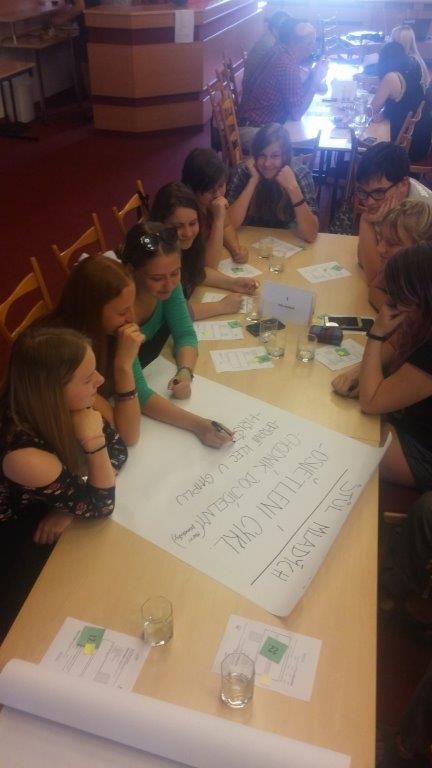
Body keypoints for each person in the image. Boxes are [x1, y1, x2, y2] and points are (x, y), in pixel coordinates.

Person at [0, 327, 127, 640]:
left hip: (48, 499)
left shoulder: (64, 406)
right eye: (88, 378)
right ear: (53, 391)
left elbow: (118, 449)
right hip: (17, 531)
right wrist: (93, 445)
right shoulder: (24, 454)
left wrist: (71, 505)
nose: (100, 381)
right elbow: (101, 506)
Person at [119, 221, 233, 449]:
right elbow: (138, 392)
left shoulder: (169, 286)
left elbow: (185, 334)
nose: (169, 285)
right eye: (156, 278)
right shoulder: (119, 312)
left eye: (175, 273)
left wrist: (185, 372)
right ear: (131, 272)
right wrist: (198, 425)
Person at [334, 244, 432, 490]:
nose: (392, 303)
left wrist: (376, 332)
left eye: (398, 299)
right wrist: (359, 371)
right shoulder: (422, 318)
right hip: (410, 423)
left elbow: (371, 402)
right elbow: (394, 344)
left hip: (424, 450)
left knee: (341, 443)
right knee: (341, 421)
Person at [47, 255, 144, 447]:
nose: (132, 318)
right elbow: (128, 435)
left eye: (131, 307)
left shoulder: (105, 332)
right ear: (92, 310)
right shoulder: (66, 355)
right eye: (122, 312)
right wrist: (123, 366)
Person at [150, 182, 258, 320]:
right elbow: (170, 312)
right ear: (161, 224)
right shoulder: (157, 257)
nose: (188, 233)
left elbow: (196, 271)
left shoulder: (181, 247)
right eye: (178, 226)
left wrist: (232, 283)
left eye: (192, 223)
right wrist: (221, 306)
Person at [356, 142, 432, 287]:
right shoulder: (389, 198)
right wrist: (367, 223)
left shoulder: (421, 215)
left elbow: (376, 282)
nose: (369, 202)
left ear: (403, 184)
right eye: (363, 192)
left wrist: (366, 222)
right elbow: (362, 259)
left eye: (379, 192)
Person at [237, 18, 328, 139]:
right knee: (296, 140)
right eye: (313, 44)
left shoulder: (279, 52)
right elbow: (296, 114)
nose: (313, 48)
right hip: (256, 131)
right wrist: (316, 81)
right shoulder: (288, 66)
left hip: (249, 122)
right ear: (309, 45)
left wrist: (312, 77)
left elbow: (297, 97)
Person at [227, 123, 318, 241]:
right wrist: (253, 181)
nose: (267, 163)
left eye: (275, 156)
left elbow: (311, 235)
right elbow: (229, 225)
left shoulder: (301, 174)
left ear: (285, 157)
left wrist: (293, 188)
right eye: (262, 155)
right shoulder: (244, 171)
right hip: (249, 238)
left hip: (287, 239)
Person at [181, 148, 247, 268]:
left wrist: (236, 250)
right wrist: (218, 219)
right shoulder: (188, 214)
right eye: (209, 190)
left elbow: (226, 227)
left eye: (221, 185)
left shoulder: (211, 203)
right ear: (191, 188)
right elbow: (209, 265)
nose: (217, 195)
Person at [370, 42, 432, 161]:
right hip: (420, 141)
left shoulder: (391, 77)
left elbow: (371, 110)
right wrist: (384, 113)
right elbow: (403, 105)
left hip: (404, 150)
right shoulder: (411, 71)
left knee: (366, 137)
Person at [369, 199, 432, 309]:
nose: (379, 249)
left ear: (422, 251)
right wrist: (392, 312)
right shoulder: (394, 268)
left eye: (392, 243)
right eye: (381, 238)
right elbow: (375, 288)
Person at [242, 11, 290, 100]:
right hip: (253, 94)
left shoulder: (270, 38)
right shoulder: (270, 44)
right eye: (284, 29)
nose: (286, 33)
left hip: (253, 88)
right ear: (275, 29)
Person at [391, 24, 430, 91]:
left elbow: (398, 90)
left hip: (412, 96)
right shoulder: (416, 58)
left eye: (393, 40)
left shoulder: (408, 63)